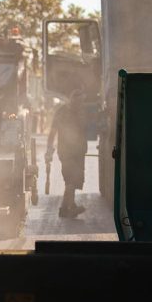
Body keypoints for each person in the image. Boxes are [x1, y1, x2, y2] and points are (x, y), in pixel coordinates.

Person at [45, 89, 88, 218]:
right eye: (78, 101)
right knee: (71, 179)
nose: (80, 104)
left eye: (82, 101)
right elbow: (52, 132)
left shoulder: (82, 112)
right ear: (72, 99)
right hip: (67, 152)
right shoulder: (62, 112)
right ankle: (68, 208)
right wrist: (49, 149)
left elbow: (87, 128)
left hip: (79, 153)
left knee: (73, 181)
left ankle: (66, 208)